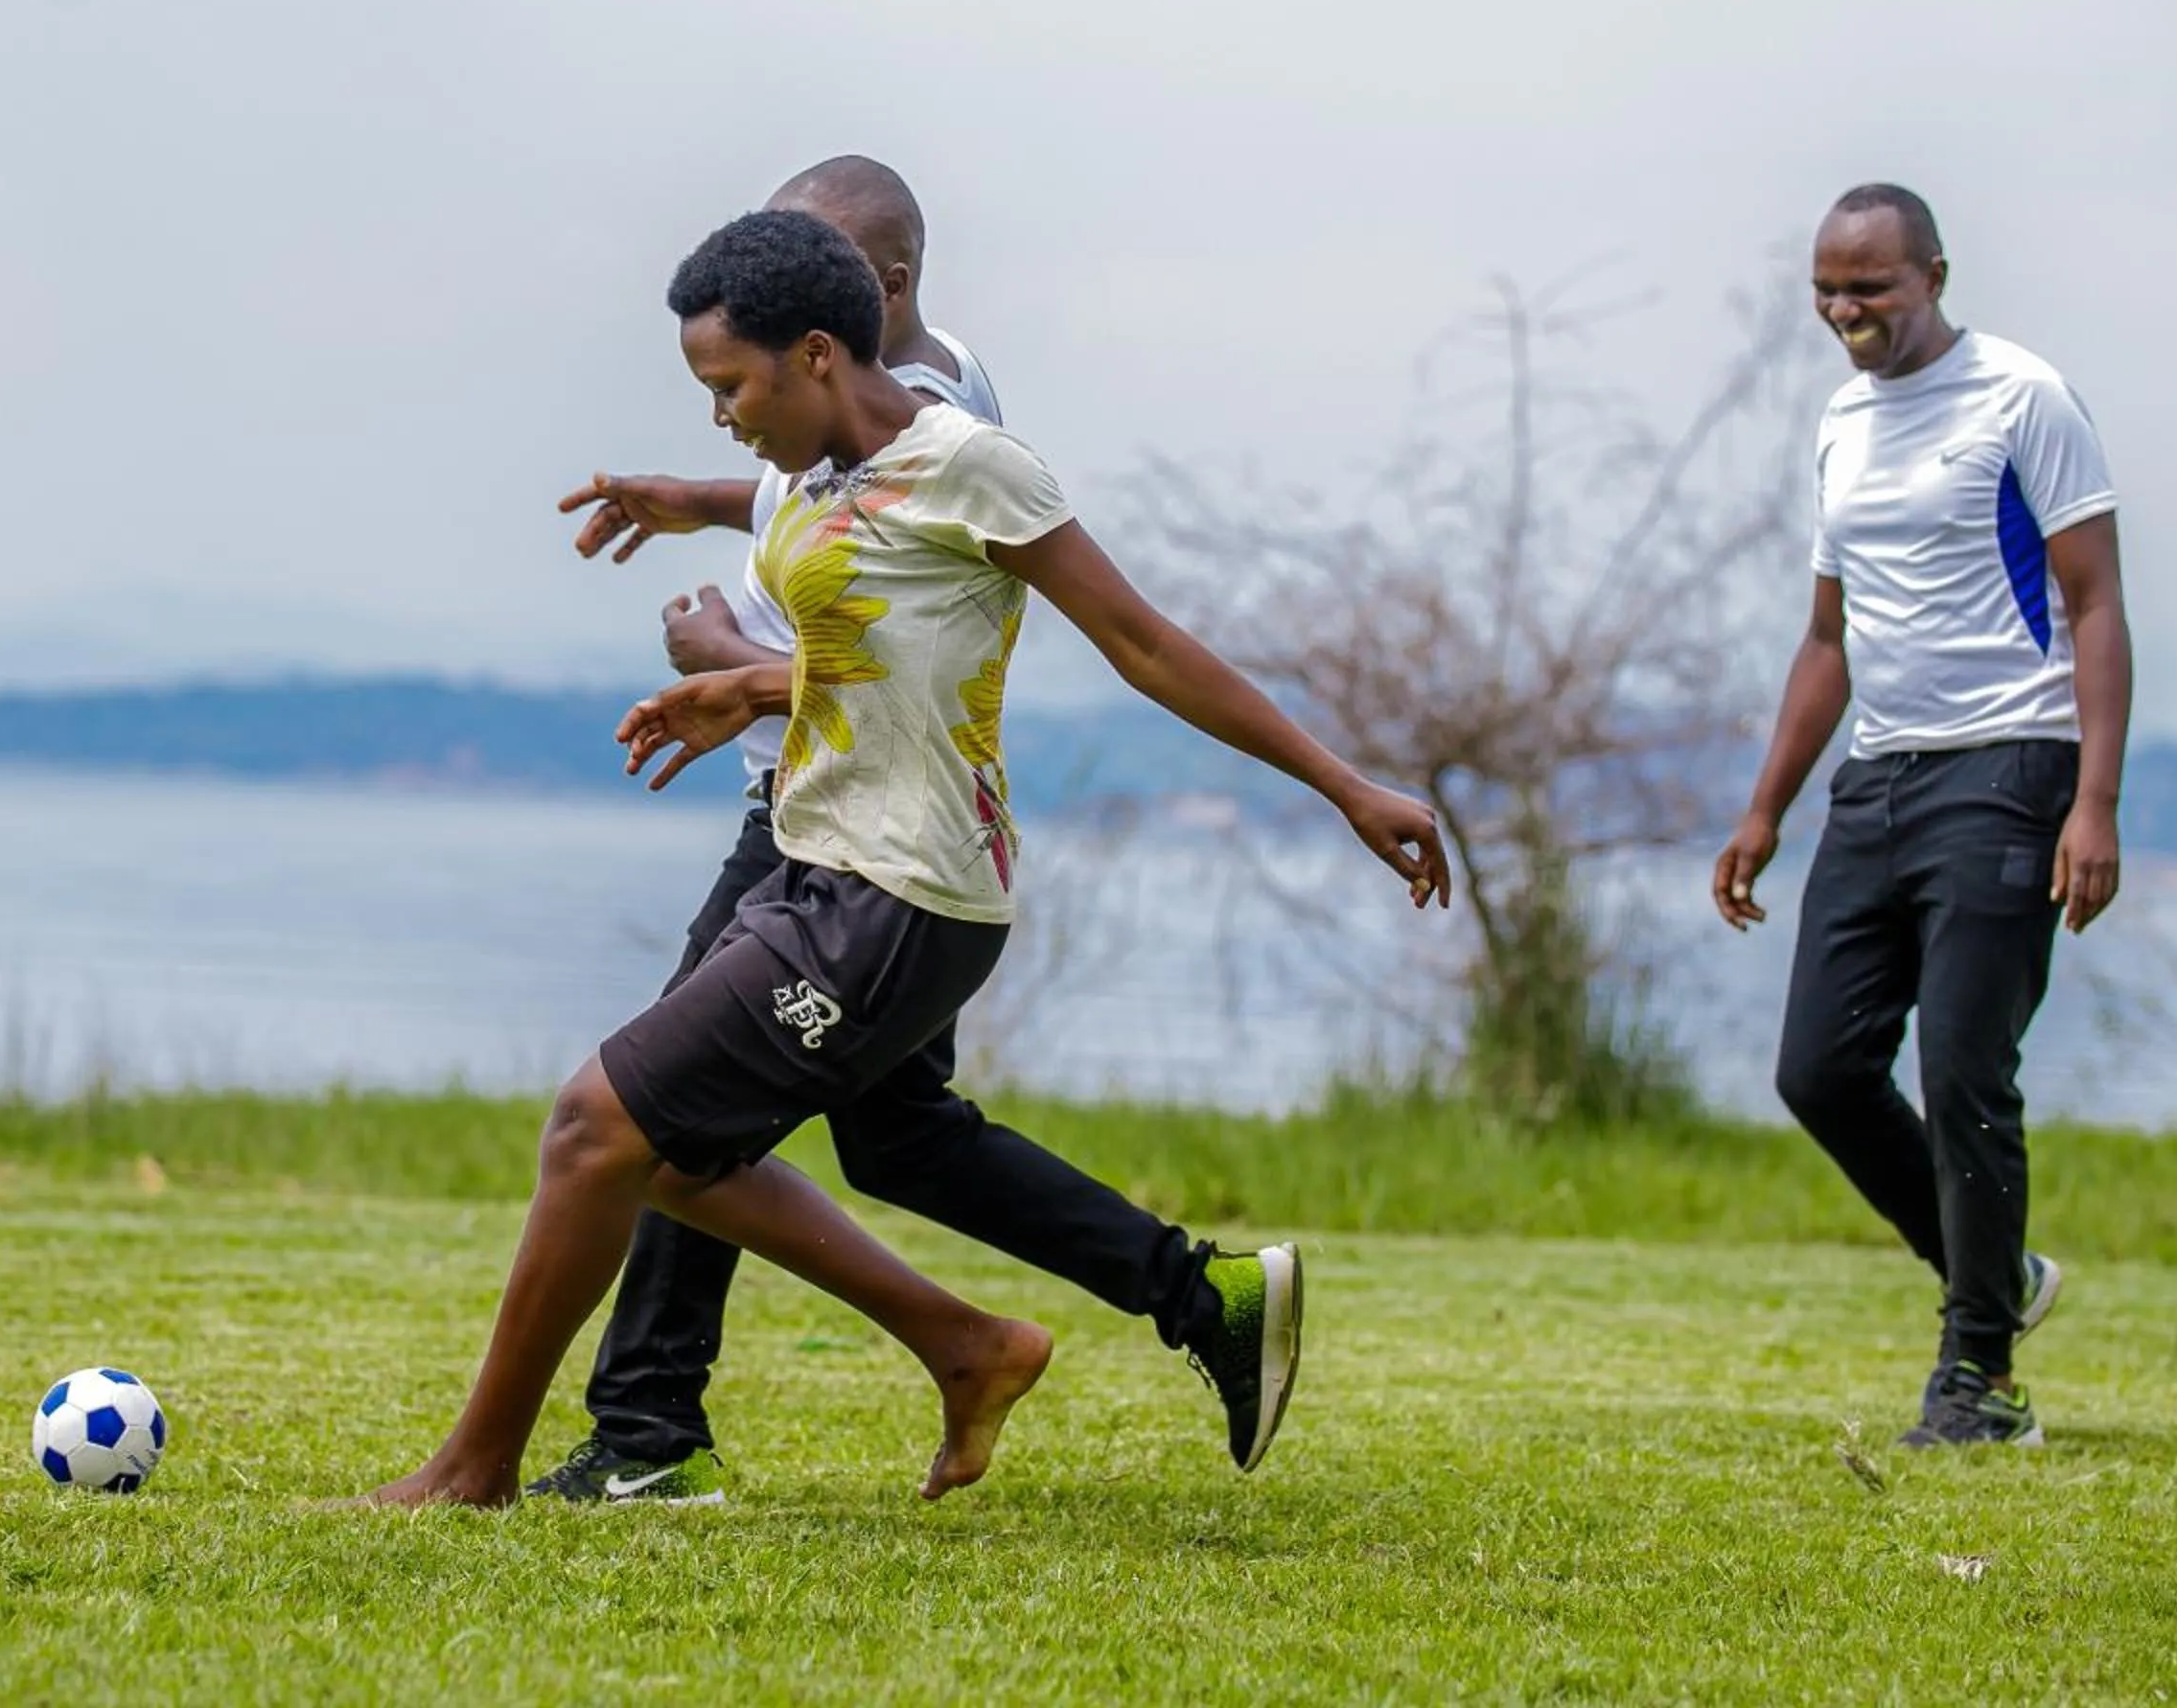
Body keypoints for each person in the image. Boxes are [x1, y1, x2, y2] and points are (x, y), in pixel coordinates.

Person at [359, 208, 1447, 1508]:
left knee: (596, 1128)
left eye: (731, 386)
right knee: (721, 1154)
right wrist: (754, 691)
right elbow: (885, 640)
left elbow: (1144, 644)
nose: (721, 418)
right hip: (823, 867)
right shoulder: (817, 480)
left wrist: (1343, 786)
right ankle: (970, 1346)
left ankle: (476, 1469)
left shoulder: (974, 466)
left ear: (817, 352)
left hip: (902, 895)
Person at [541, 159, 1292, 1508]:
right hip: (834, 812)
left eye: (794, 274)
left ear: (860, 305)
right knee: (896, 1138)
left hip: (854, 837)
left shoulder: (941, 425)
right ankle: (1197, 1296)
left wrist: (733, 672)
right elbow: (824, 513)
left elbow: (931, 645)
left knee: (652, 1113)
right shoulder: (891, 390)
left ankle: (649, 1433)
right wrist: (694, 498)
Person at [1713, 183, 2133, 1448]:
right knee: (1821, 1070)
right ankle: (1996, 1275)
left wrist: (2096, 802)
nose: (1848, 313)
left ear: (1935, 274)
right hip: (1880, 776)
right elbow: (1827, 639)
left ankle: (1982, 1379)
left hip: (2011, 764)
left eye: (1872, 290)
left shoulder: (2023, 399)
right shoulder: (1844, 425)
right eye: (1828, 294)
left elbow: (2098, 604)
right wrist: (1764, 808)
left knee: (1963, 1070)